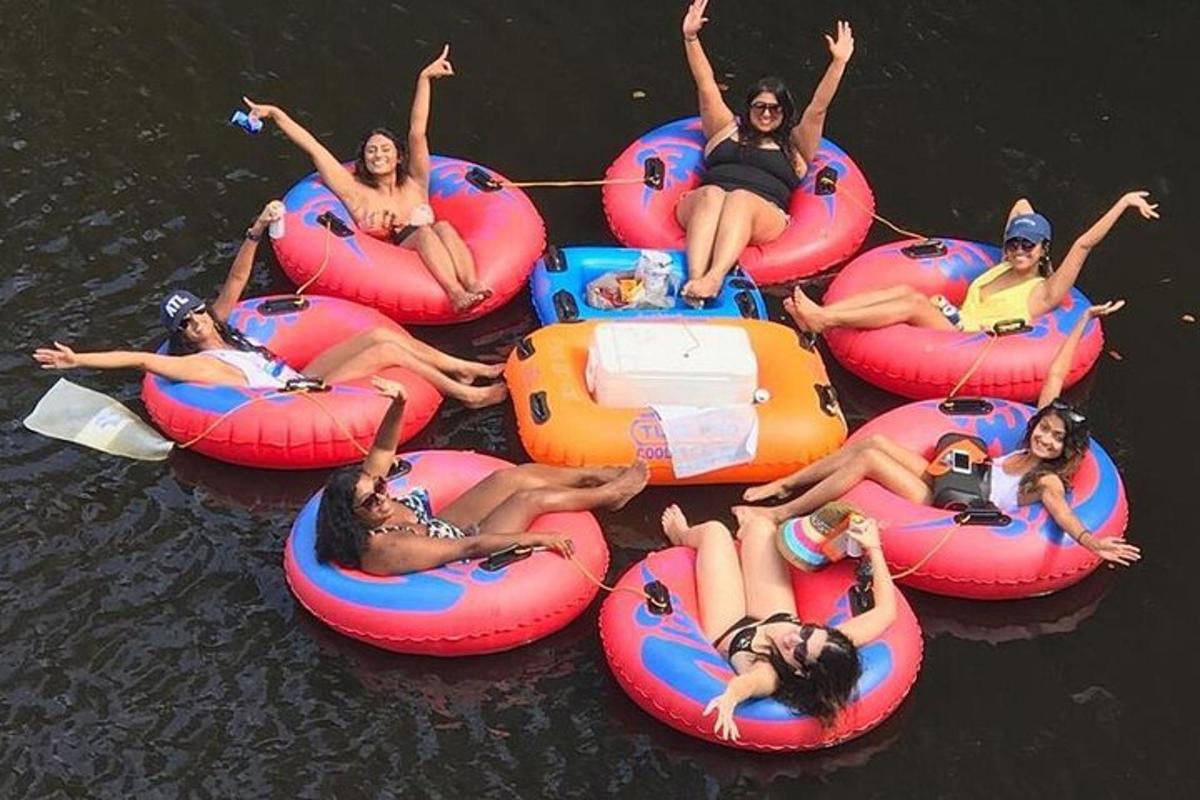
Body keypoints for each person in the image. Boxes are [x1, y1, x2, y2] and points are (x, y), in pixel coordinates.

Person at [734, 301, 1141, 567]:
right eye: (1046, 430)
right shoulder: (1027, 444)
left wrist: (1092, 542)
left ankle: (778, 512)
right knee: (874, 441)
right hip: (958, 473)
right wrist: (1084, 321)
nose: (1046, 439)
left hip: (949, 500)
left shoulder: (1047, 479)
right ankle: (785, 483)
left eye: (1055, 440)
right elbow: (1054, 376)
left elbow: (1063, 513)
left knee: (869, 459)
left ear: (1064, 451)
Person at [32, 201, 508, 408]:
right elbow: (137, 358)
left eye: (196, 313)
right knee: (388, 352)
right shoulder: (202, 366)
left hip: (296, 374)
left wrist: (256, 231)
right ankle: (466, 391)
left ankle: (471, 369)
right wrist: (78, 359)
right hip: (292, 396)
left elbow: (238, 277)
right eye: (187, 324)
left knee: (382, 335)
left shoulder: (223, 325)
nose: (197, 323)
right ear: (181, 336)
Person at [243, 45, 490, 312]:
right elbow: (314, 148)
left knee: (442, 228)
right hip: (389, 265)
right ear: (364, 158)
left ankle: (472, 283)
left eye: (385, 149)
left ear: (398, 157)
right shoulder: (353, 190)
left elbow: (417, 132)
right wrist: (277, 114)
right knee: (426, 233)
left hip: (432, 251)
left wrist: (424, 79)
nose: (378, 155)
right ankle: (455, 293)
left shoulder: (415, 183)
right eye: (371, 150)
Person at [316, 378, 651, 575]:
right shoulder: (383, 547)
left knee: (510, 479)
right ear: (353, 518)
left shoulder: (370, 495)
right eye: (370, 501)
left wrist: (400, 401)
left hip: (441, 526)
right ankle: (609, 495)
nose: (382, 497)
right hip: (457, 549)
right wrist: (535, 538)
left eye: (380, 487)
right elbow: (468, 545)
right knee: (527, 498)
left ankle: (592, 474)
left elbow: (382, 451)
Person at [660, 503, 897, 742]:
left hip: (731, 627)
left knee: (715, 532)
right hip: (774, 614)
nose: (794, 638)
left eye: (800, 651)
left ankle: (681, 534)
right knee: (761, 527)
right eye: (807, 632)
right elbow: (886, 612)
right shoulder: (828, 645)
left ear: (801, 673)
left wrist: (729, 697)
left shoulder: (770, 673)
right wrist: (873, 547)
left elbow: (748, 685)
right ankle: (746, 533)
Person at [677, 0, 854, 303]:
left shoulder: (796, 147)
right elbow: (705, 85)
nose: (767, 114)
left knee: (740, 199)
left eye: (775, 108)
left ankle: (714, 277)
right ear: (749, 108)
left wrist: (838, 63)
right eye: (760, 106)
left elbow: (818, 108)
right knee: (713, 193)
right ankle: (695, 281)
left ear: (785, 112)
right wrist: (691, 38)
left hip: (762, 213)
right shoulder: (725, 129)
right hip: (707, 204)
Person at [785, 191, 1159, 335]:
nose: (1018, 250)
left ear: (1044, 249)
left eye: (1028, 245)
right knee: (905, 289)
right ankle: (823, 310)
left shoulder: (1044, 291)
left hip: (969, 336)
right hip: (952, 314)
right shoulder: (1004, 263)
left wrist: (1124, 203)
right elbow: (1022, 204)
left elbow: (1082, 245)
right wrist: (1026, 232)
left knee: (914, 302)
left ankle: (823, 320)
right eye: (1014, 243)